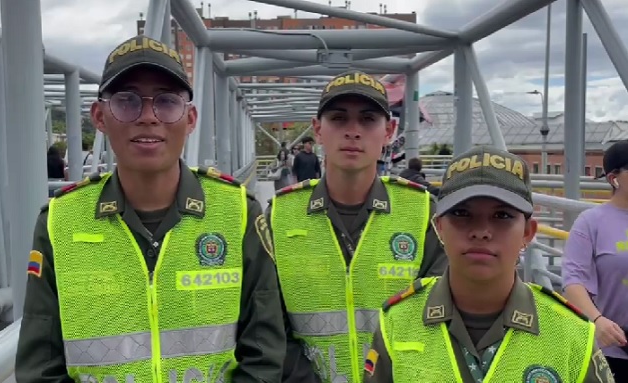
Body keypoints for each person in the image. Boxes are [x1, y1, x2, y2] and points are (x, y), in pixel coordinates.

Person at [15, 35, 285, 383]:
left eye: (167, 102)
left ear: (190, 119)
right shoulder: (59, 222)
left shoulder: (237, 212)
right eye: (126, 101)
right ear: (99, 116)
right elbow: (40, 368)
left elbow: (264, 354)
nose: (147, 117)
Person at [364, 145, 614, 383]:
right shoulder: (398, 321)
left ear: (528, 232)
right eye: (462, 213)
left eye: (502, 215)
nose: (481, 231)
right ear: (439, 226)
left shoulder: (572, 334)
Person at [268, 70, 447, 382]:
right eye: (338, 119)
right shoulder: (279, 215)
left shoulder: (422, 212)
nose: (353, 131)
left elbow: (437, 318)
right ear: (318, 130)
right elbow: (269, 324)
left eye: (367, 120)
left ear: (389, 130)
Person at [563, 139, 628, 381]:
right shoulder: (591, 222)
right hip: (613, 351)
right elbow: (573, 280)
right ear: (614, 178)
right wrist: (597, 320)